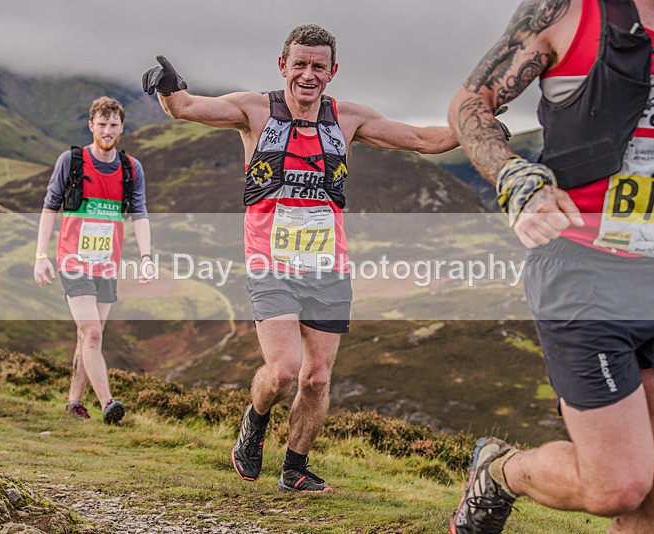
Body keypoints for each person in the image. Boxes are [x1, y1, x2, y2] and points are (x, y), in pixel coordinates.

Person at [143, 24, 460, 493]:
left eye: (318, 66)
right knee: (284, 371)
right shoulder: (255, 110)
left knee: (316, 380)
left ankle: (294, 468)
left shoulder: (348, 119)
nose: (308, 74)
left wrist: (472, 129)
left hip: (328, 268)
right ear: (282, 66)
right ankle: (255, 421)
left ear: (332, 71)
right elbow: (186, 107)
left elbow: (420, 138)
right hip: (270, 264)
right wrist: (169, 88)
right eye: (300, 64)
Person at [447, 0, 654, 532]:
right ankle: (500, 471)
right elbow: (471, 101)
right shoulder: (567, 11)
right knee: (618, 485)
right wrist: (512, 174)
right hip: (585, 270)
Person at [33, 96, 155, 425]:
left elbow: (140, 213)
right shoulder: (71, 161)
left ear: (122, 127)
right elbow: (50, 206)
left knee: (88, 336)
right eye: (101, 124)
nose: (107, 131)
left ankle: (74, 403)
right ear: (91, 125)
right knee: (92, 334)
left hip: (107, 264)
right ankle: (108, 403)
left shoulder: (131, 169)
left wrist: (146, 257)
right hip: (73, 261)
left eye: (113, 125)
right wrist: (41, 255)